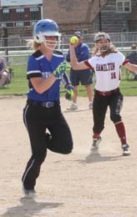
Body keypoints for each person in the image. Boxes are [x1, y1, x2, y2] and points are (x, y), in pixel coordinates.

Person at [69, 32, 137, 156]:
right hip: (99, 96)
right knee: (98, 125)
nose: (103, 43)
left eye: (105, 41)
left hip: (115, 94)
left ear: (109, 42)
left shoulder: (117, 56)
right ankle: (96, 138)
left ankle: (124, 145)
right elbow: (75, 66)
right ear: (96, 45)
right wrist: (71, 47)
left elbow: (131, 67)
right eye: (100, 42)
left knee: (115, 116)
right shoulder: (94, 60)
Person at [22, 19, 73, 197]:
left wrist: (69, 86)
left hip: (54, 110)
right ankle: (28, 184)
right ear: (39, 37)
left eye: (55, 37)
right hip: (35, 111)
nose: (53, 40)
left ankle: (42, 139)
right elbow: (40, 87)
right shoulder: (34, 59)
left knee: (66, 146)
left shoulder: (59, 56)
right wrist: (56, 73)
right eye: (48, 37)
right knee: (39, 153)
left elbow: (63, 72)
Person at [66, 31, 94, 110]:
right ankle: (74, 104)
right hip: (74, 70)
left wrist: (74, 60)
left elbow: (83, 58)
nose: (77, 39)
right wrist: (73, 60)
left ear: (81, 39)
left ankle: (91, 103)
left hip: (84, 69)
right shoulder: (71, 46)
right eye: (76, 37)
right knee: (74, 86)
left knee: (88, 85)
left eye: (78, 37)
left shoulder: (84, 46)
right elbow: (68, 58)